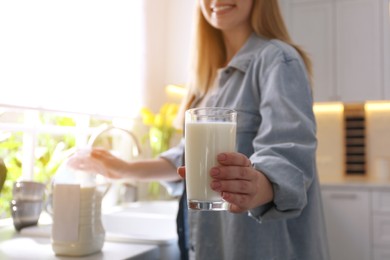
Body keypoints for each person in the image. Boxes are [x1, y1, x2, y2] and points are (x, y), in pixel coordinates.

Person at [91, 0, 330, 259]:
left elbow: (287, 153)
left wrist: (254, 187)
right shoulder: (207, 84)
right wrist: (124, 169)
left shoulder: (278, 60)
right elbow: (187, 160)